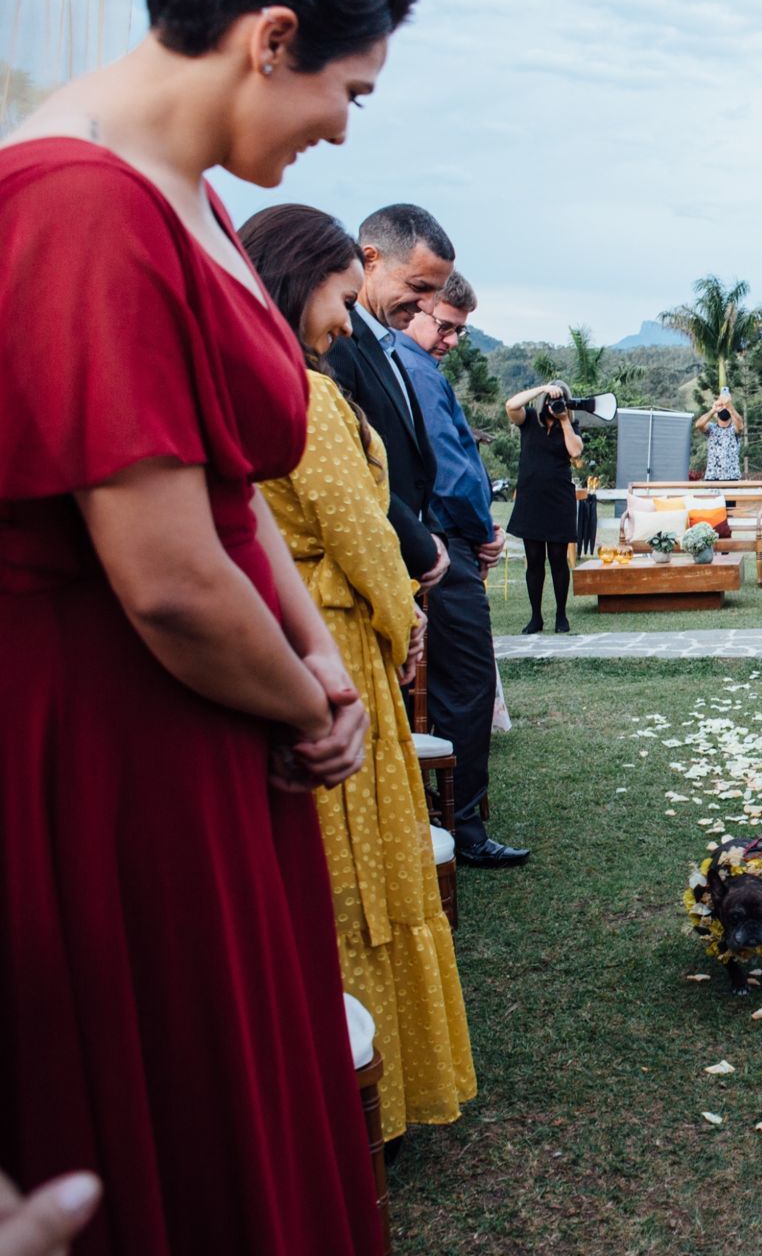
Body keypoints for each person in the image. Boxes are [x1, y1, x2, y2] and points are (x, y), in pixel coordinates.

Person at [1, 0, 420, 1251]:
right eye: (350, 93)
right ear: (272, 37)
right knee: (176, 1101)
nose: (341, 129)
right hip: (122, 727)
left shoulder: (193, 194)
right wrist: (311, 701)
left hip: (228, 709)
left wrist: (318, 669)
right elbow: (171, 578)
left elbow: (230, 494)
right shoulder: (76, 201)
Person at [244, 203, 478, 1141]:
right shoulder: (302, 395)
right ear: (297, 284)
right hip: (335, 636)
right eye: (341, 301)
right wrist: (405, 614)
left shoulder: (261, 384)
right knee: (362, 865)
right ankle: (369, 1086)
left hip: (321, 623)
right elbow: (359, 532)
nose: (347, 324)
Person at [399, 273, 530, 868]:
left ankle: (448, 813)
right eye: (445, 326)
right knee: (467, 682)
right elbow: (449, 469)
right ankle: (464, 823)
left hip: (442, 538)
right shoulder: (417, 371)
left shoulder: (414, 364)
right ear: (418, 305)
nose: (451, 340)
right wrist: (482, 533)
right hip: (447, 545)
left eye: (460, 331)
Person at [322, 203, 456, 590]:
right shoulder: (338, 344)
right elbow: (355, 468)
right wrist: (421, 546)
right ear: (371, 260)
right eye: (418, 287)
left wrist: (432, 534)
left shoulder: (388, 346)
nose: (427, 306)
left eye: (434, 292)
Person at [506, 381, 583, 634]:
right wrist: (543, 389)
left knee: (559, 559)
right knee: (534, 560)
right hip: (531, 499)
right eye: (551, 401)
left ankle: (561, 615)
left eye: (560, 400)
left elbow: (575, 451)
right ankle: (535, 617)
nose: (554, 405)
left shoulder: (570, 426)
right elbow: (510, 405)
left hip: (559, 500)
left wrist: (564, 419)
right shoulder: (528, 419)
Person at [695, 388, 746, 480]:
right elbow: (698, 424)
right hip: (712, 477)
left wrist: (730, 407)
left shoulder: (734, 429)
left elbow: (740, 425)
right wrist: (713, 410)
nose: (724, 407)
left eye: (725, 405)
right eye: (722, 405)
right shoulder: (711, 428)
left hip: (732, 478)